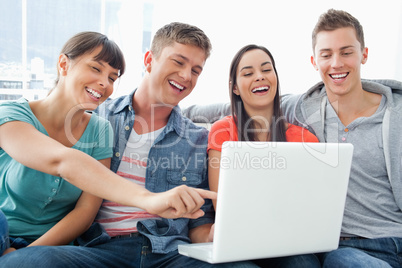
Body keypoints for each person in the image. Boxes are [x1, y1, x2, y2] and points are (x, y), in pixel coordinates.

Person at [0, 23, 257, 267]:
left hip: (170, 252)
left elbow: (201, 222)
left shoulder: (198, 140)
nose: (185, 75)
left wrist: (217, 235)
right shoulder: (99, 117)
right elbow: (68, 169)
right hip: (101, 249)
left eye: (196, 70)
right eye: (178, 62)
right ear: (148, 60)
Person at [280, 9, 402, 268]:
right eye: (326, 55)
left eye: (346, 52)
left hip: (393, 238)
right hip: (338, 246)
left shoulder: (396, 114)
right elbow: (249, 102)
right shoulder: (306, 107)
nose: (336, 63)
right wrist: (175, 107)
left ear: (363, 55)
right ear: (314, 61)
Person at [207, 44, 320, 267]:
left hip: (290, 242)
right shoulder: (222, 131)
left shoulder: (305, 138)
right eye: (248, 73)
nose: (259, 77)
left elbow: (310, 207)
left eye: (266, 70)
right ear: (235, 88)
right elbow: (221, 203)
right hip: (239, 241)